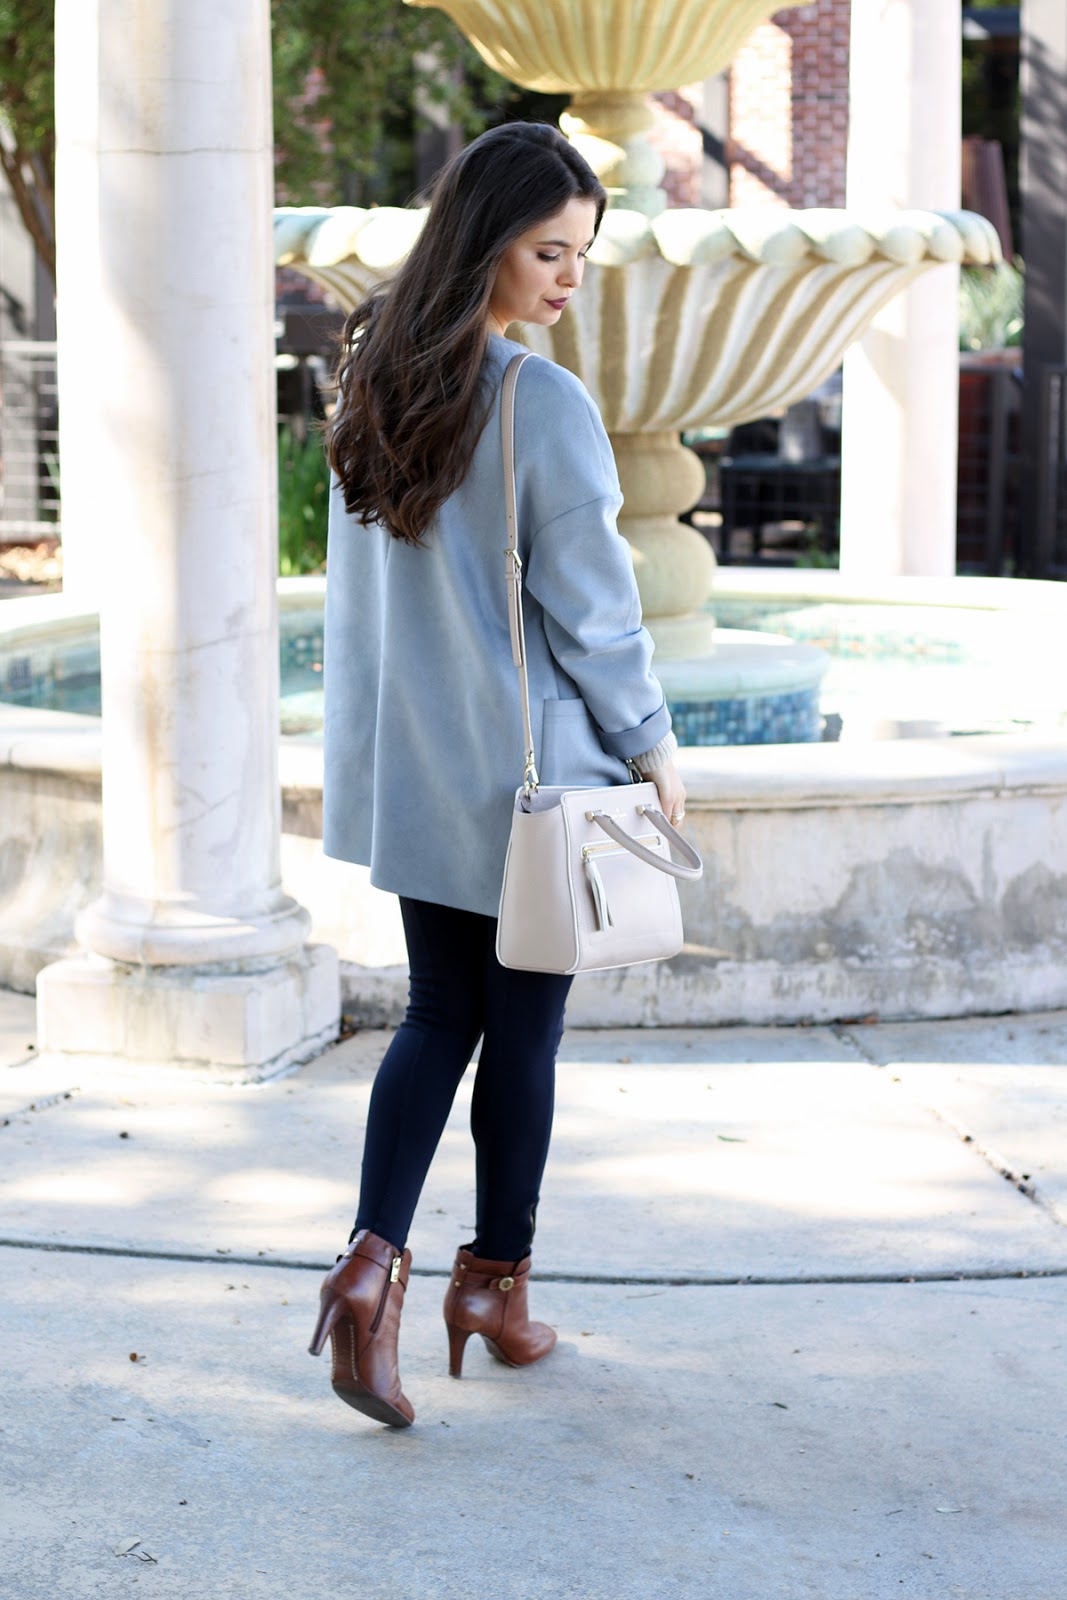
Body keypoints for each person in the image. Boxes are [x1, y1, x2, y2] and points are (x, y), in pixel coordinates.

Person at [309, 122, 686, 1428]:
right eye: (548, 252)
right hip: (531, 791)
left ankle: (369, 1273)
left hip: (420, 769)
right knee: (522, 1034)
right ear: (486, 245)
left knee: (436, 1017)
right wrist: (653, 744)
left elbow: (358, 599)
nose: (571, 277)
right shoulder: (539, 400)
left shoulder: (370, 371)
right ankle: (494, 1292)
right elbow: (596, 612)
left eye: (582, 252)